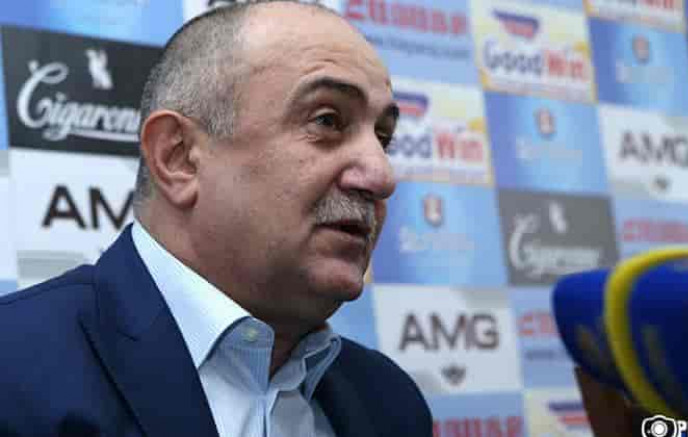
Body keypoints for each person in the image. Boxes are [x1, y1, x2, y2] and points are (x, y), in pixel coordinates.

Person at [0, 1, 432, 436]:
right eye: (327, 120)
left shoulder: (390, 400)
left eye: (384, 139)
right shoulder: (13, 369)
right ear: (179, 157)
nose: (381, 176)